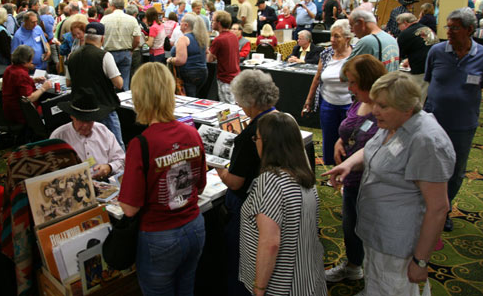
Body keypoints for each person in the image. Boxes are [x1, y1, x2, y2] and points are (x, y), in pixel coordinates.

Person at [324, 71, 456, 295]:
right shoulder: (392, 124)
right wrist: (350, 164)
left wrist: (421, 261)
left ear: (407, 108)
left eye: (383, 106)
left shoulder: (427, 141)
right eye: (375, 103)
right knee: (377, 280)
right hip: (377, 232)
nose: (375, 111)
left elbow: (438, 208)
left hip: (398, 243)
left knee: (393, 286)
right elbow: (374, 149)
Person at [118, 62, 206, 296]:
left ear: (139, 97)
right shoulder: (192, 132)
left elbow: (129, 208)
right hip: (195, 226)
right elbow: (201, 183)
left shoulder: (141, 144)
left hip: (159, 236)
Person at [239, 112, 327, 296]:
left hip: (280, 285)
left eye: (257, 138)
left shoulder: (270, 181)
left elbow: (270, 243)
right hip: (308, 278)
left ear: (270, 143)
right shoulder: (304, 174)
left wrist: (259, 288)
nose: (255, 142)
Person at [424, 8, 483, 232]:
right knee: (427, 165)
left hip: (464, 124)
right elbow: (428, 80)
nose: (449, 32)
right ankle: (425, 207)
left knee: (455, 171)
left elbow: (481, 86)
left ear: (470, 30)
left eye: (454, 28)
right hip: (433, 121)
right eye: (448, 27)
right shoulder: (436, 51)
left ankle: (444, 210)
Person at [215, 69, 279, 296]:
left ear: (249, 100)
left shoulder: (250, 135)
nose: (239, 105)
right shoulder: (280, 120)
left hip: (247, 208)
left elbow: (235, 183)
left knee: (240, 263)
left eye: (240, 100)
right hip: (272, 204)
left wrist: (219, 168)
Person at [323, 54, 387, 283]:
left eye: (352, 82)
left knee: (372, 232)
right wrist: (340, 141)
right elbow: (352, 127)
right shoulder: (359, 99)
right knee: (351, 226)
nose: (349, 87)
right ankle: (352, 266)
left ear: (368, 80)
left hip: (374, 182)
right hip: (351, 180)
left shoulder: (385, 107)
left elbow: (382, 147)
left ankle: (376, 280)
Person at [65, 22, 125, 151]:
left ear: (85, 37)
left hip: (81, 109)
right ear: (102, 38)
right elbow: (119, 83)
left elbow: (68, 83)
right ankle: (118, 170)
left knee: (90, 145)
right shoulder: (104, 56)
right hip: (104, 107)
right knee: (115, 145)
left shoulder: (72, 56)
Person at [302, 19, 353, 165]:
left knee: (348, 139)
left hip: (349, 104)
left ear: (347, 38)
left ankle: (346, 167)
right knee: (329, 138)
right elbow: (317, 78)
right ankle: (332, 168)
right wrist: (308, 100)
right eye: (331, 36)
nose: (332, 40)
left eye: (337, 36)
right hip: (328, 104)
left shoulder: (355, 53)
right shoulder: (326, 54)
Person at [50, 90, 125, 179]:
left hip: (104, 182)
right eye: (81, 120)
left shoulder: (103, 131)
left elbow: (121, 160)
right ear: (72, 116)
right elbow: (50, 171)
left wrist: (109, 167)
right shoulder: (59, 137)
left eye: (89, 121)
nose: (85, 125)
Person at [2, 45, 52, 124]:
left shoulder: (9, 69)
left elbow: (16, 85)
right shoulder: (21, 74)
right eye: (31, 60)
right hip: (22, 114)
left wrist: (33, 80)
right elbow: (28, 99)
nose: (32, 62)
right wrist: (44, 88)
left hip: (9, 111)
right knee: (51, 107)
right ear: (25, 61)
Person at [396, 13, 439, 104]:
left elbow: (399, 55)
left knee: (418, 96)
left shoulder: (405, 34)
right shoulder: (427, 28)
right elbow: (422, 46)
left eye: (398, 24)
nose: (398, 28)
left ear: (405, 22)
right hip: (436, 65)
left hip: (421, 68)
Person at [101, 0, 141, 91]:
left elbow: (100, 37)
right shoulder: (132, 20)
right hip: (126, 53)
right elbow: (137, 39)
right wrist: (131, 49)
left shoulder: (104, 19)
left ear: (112, 6)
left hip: (109, 54)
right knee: (124, 82)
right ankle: (123, 102)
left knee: (110, 82)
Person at [166, 13, 209, 97]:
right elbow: (207, 52)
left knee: (189, 99)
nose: (179, 24)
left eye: (181, 22)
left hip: (188, 74)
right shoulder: (201, 38)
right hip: (202, 72)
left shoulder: (184, 39)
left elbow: (181, 60)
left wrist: (170, 60)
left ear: (186, 25)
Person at [207, 11, 240, 104]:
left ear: (219, 23)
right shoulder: (233, 36)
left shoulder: (218, 40)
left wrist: (206, 49)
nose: (212, 23)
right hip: (236, 77)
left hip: (225, 79)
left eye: (213, 21)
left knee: (228, 108)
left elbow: (209, 59)